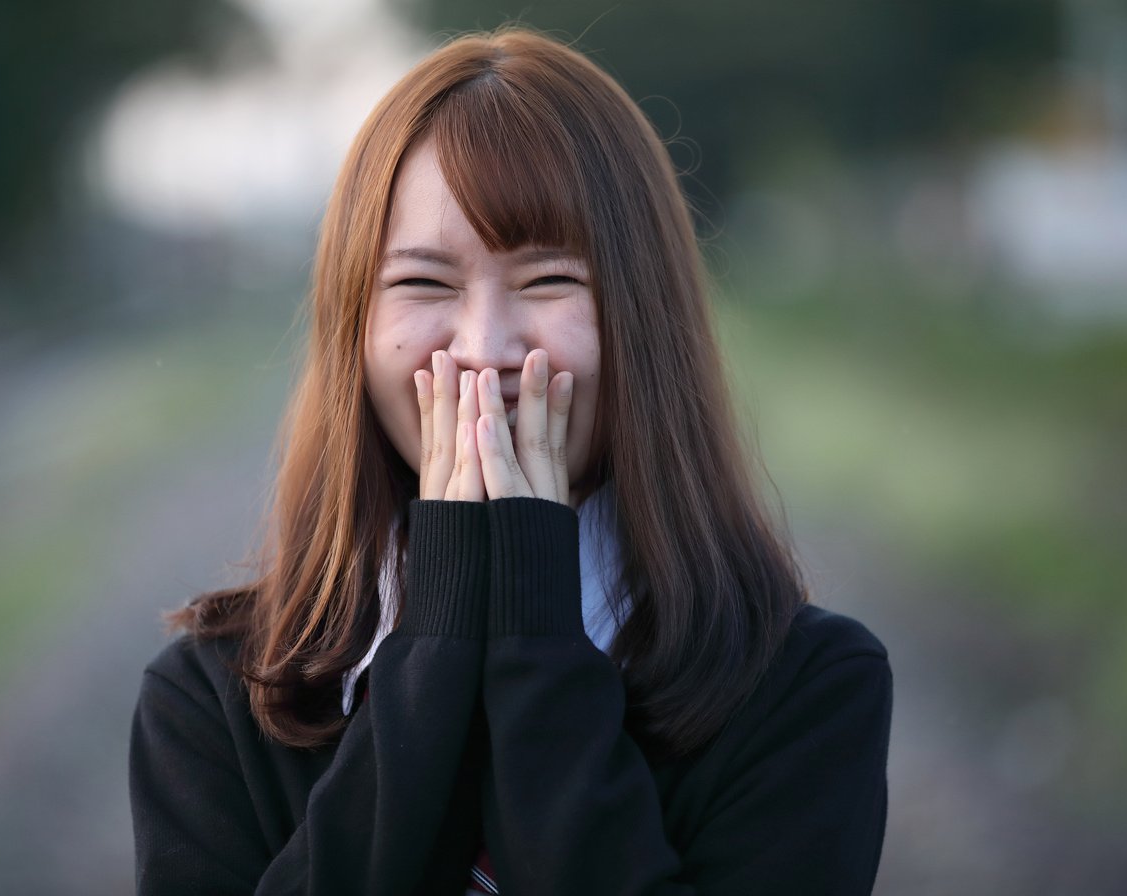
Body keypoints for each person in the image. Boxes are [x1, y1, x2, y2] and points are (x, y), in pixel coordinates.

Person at [129, 26, 892, 896]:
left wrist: (533, 628)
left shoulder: (803, 688)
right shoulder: (213, 699)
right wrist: (441, 637)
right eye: (423, 285)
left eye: (548, 282)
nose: (484, 351)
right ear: (354, 332)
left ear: (643, 321)